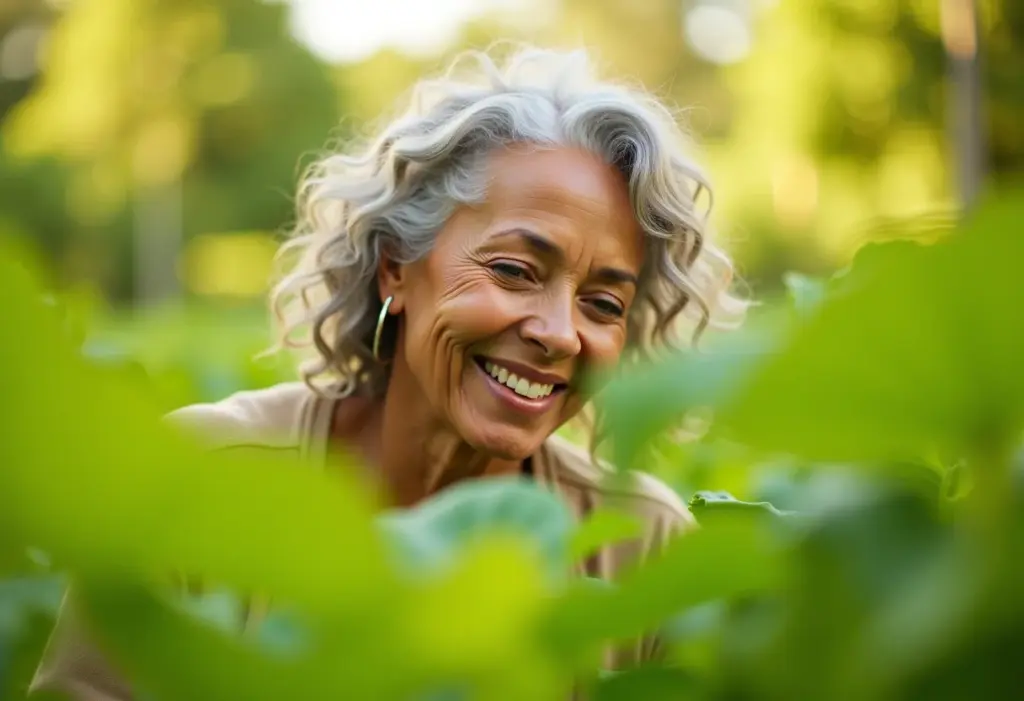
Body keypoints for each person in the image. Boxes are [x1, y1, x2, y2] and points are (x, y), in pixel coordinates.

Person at [30, 44, 745, 700]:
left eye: (603, 304)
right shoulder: (197, 476)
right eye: (514, 270)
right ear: (395, 267)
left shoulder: (645, 547)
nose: (560, 332)